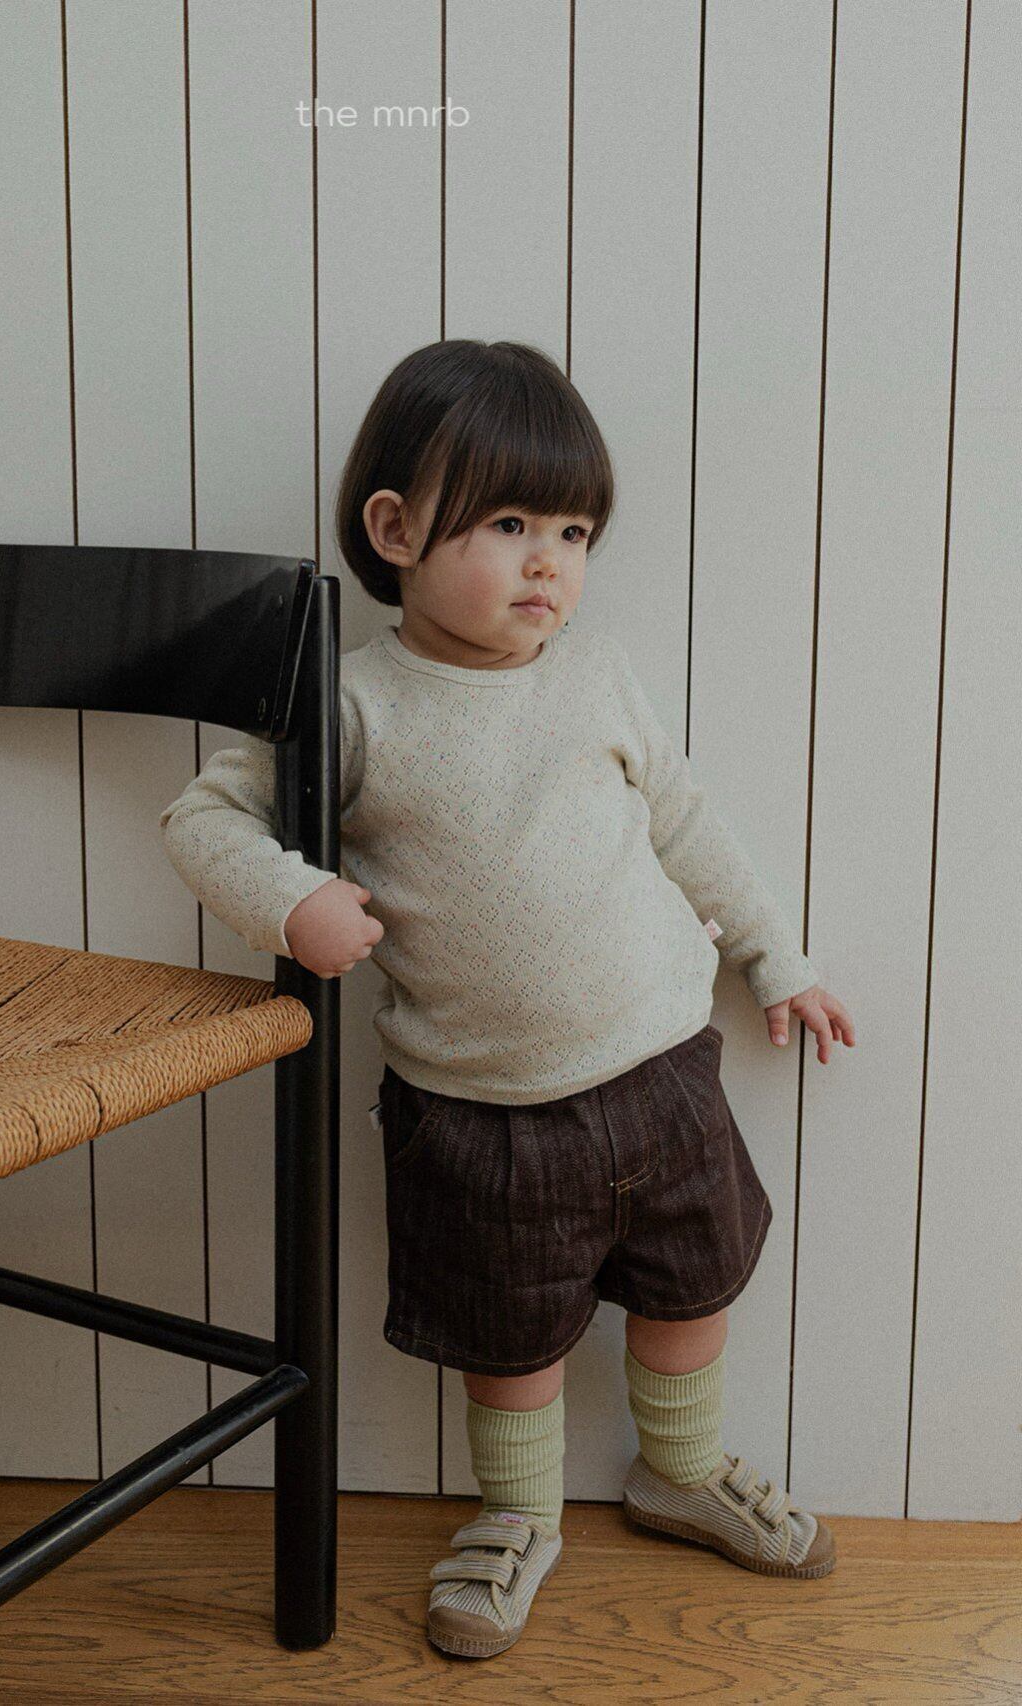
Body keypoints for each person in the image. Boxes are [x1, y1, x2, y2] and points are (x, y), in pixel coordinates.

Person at [160, 338, 857, 1662]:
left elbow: (685, 823)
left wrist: (781, 956)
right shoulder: (352, 700)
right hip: (480, 1107)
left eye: (575, 532)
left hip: (664, 1068)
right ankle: (519, 1512)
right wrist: (291, 902)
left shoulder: (597, 676)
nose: (551, 564)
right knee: (511, 1329)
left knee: (693, 1282)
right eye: (510, 525)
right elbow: (205, 817)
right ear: (396, 531)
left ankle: (681, 1469)